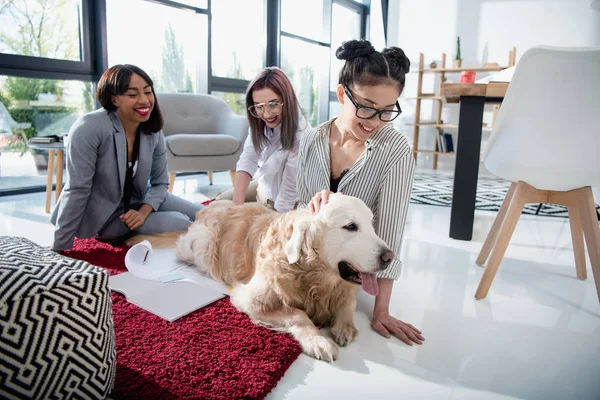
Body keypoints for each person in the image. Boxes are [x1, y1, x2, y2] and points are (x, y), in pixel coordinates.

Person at [296, 40, 424, 345]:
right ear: (342, 94)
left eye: (386, 111)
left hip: (351, 265)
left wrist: (382, 311)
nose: (374, 122)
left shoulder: (396, 150)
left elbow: (390, 232)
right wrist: (309, 206)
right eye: (366, 108)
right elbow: (299, 204)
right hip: (317, 260)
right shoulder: (312, 139)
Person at [51, 64, 203, 252]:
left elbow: (160, 183)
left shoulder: (152, 130)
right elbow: (77, 189)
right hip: (107, 216)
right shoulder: (89, 127)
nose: (144, 100)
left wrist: (143, 212)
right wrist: (59, 246)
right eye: (132, 95)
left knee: (202, 213)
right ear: (114, 99)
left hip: (140, 198)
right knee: (182, 223)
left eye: (148, 92)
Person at [215, 67, 309, 212]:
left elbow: (288, 193)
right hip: (263, 188)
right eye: (259, 106)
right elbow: (248, 160)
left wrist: (274, 224)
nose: (266, 114)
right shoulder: (259, 122)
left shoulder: (301, 134)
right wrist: (236, 208)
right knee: (220, 203)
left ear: (287, 100)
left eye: (273, 104)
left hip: (281, 205)